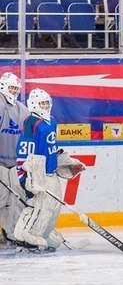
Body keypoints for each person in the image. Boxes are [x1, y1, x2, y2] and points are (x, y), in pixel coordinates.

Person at [14, 89, 85, 251]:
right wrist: (25, 173)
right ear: (33, 104)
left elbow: (52, 148)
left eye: (47, 103)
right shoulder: (31, 122)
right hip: (37, 172)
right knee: (36, 205)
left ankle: (42, 233)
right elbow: (24, 149)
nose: (45, 106)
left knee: (52, 206)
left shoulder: (52, 121)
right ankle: (23, 235)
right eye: (42, 103)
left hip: (50, 173)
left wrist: (67, 162)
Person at [0, 73, 28, 246]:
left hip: (15, 165)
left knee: (15, 200)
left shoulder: (22, 109)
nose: (14, 91)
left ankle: (11, 233)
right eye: (11, 87)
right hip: (0, 163)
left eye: (16, 88)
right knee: (2, 198)